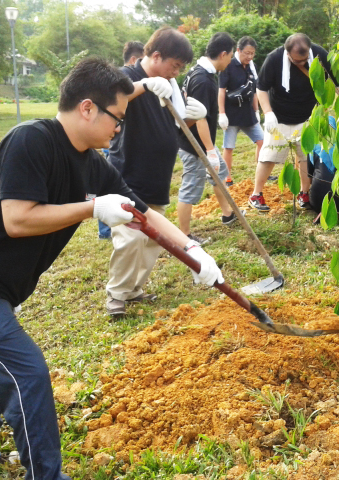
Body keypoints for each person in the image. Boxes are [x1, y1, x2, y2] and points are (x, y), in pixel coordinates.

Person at [0, 57, 223, 480]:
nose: (119, 128)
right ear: (87, 108)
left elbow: (144, 214)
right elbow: (17, 220)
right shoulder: (30, 140)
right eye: (117, 118)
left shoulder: (92, 162)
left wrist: (194, 252)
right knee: (27, 373)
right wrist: (92, 208)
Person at [105, 27, 207, 317]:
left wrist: (190, 116)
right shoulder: (127, 77)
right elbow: (114, 101)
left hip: (158, 174)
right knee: (130, 236)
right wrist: (146, 85)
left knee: (152, 239)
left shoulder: (171, 86)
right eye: (174, 66)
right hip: (129, 172)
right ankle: (117, 294)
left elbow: (171, 128)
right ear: (157, 55)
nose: (176, 73)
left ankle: (134, 289)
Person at [249, 33, 338, 212]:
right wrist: (268, 113)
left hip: (308, 117)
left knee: (305, 156)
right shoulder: (273, 59)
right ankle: (256, 194)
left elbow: (336, 82)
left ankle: (303, 193)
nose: (302, 64)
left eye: (304, 60)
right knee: (269, 156)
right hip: (279, 117)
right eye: (297, 61)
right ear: (287, 52)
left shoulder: (320, 54)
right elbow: (261, 88)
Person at [177, 32, 238, 241]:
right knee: (191, 187)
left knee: (220, 174)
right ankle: (185, 236)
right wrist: (210, 150)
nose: (230, 61)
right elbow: (199, 118)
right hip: (193, 144)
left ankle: (228, 215)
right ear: (223, 54)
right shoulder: (203, 80)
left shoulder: (201, 71)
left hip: (201, 142)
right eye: (230, 56)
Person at [98, 41, 146, 240]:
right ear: (134, 59)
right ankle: (106, 230)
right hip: (114, 142)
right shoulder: (122, 76)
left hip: (116, 140)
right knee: (111, 185)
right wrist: (146, 85)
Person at [217, 36, 264, 187]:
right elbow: (221, 91)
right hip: (231, 114)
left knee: (262, 141)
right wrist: (222, 113)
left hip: (248, 112)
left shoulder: (251, 66)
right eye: (246, 53)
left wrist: (257, 110)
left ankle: (261, 172)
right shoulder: (228, 65)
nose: (249, 56)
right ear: (238, 50)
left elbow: (254, 90)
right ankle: (227, 178)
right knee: (229, 147)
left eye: (252, 53)